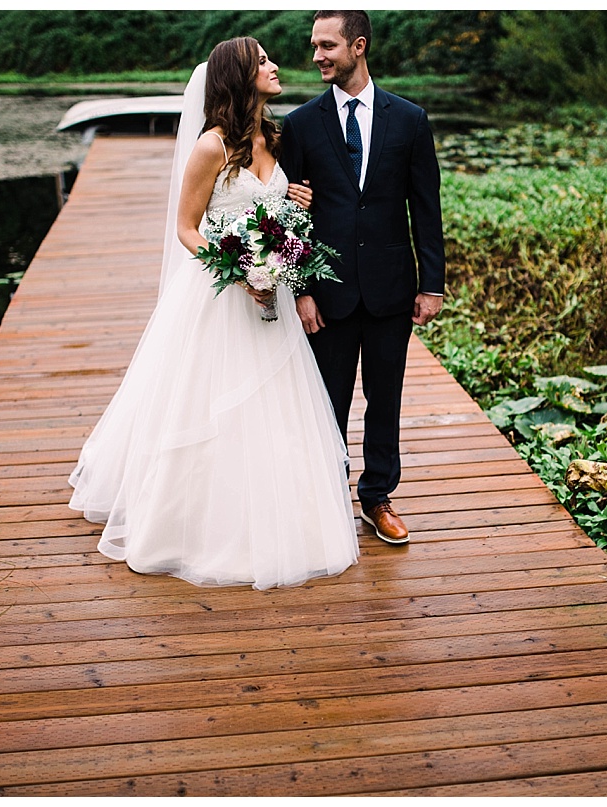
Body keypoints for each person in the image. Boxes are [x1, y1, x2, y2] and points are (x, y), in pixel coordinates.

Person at [67, 37, 359, 590]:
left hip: (273, 295)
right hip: (224, 296)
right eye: (264, 61)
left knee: (278, 408)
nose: (275, 67)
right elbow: (185, 228)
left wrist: (294, 208)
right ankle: (200, 527)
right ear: (240, 75)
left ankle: (286, 521)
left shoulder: (274, 136)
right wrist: (238, 266)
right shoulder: (211, 147)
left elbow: (275, 207)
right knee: (213, 407)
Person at [279, 11, 446, 545]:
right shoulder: (302, 124)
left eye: (326, 46)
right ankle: (328, 496)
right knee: (326, 402)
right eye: (313, 46)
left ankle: (377, 497)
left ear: (358, 45)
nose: (316, 56)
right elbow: (289, 218)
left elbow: (426, 207)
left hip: (391, 288)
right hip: (326, 294)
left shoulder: (410, 120)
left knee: (385, 398)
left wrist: (432, 283)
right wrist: (301, 289)